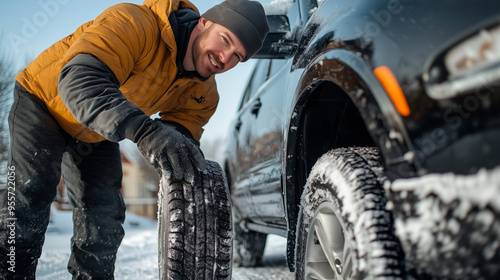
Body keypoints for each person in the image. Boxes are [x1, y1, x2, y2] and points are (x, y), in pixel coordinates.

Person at [0, 0, 269, 278]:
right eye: (225, 40)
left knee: (104, 213)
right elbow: (79, 80)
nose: (225, 58)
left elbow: (177, 147)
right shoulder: (135, 23)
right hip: (44, 102)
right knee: (30, 196)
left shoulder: (203, 94)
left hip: (96, 130)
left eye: (237, 56)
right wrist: (145, 131)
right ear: (204, 22)